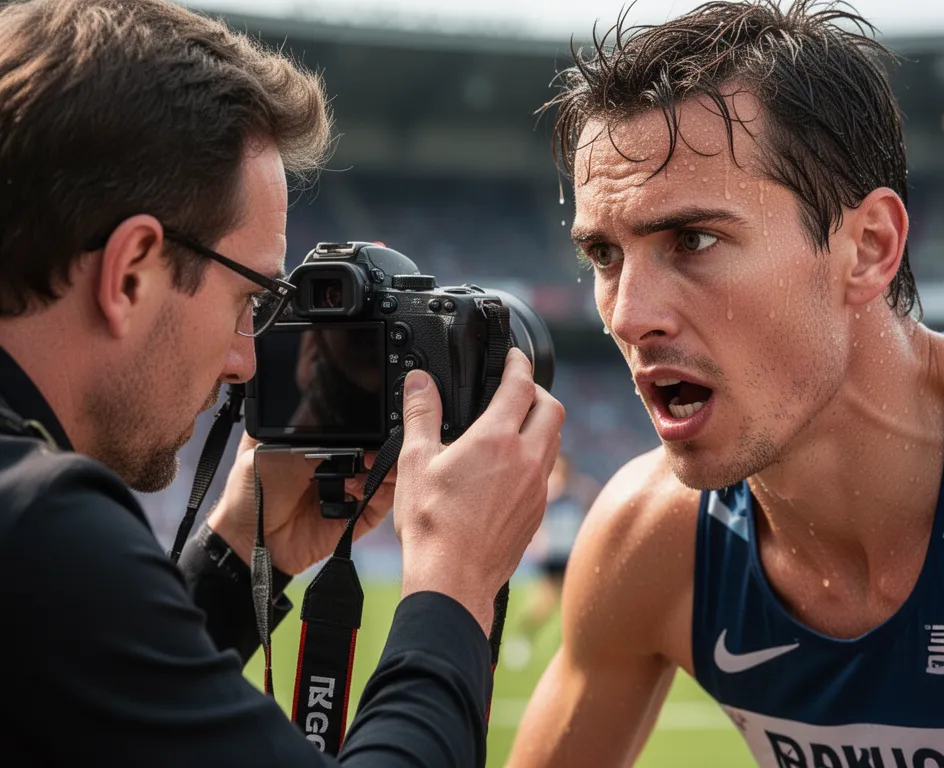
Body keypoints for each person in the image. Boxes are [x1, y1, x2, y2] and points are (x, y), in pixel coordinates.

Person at [0, 1, 564, 765]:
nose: (246, 358)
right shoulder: (38, 524)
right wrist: (454, 584)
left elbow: (94, 705)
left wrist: (237, 555)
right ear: (130, 272)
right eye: (251, 302)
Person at [510, 2, 944, 766]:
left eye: (694, 239)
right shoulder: (653, 537)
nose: (627, 315)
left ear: (868, 248)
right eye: (605, 256)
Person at [503, 453, 597, 670]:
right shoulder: (548, 491)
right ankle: (522, 639)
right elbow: (535, 520)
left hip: (573, 555)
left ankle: (573, 647)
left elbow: (588, 510)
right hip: (554, 557)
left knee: (578, 603)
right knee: (546, 603)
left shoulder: (578, 491)